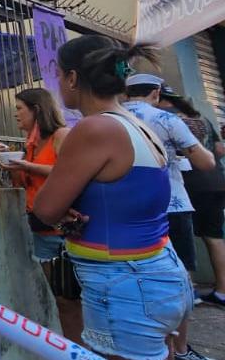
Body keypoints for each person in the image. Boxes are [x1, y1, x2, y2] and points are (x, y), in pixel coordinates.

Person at [34, 36, 196, 360]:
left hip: (125, 286)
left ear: (73, 78)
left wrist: (63, 207)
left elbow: (45, 210)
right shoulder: (137, 123)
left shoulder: (95, 129)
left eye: (59, 75)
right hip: (158, 272)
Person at [122, 74, 216, 360]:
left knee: (141, 275)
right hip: (171, 204)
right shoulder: (166, 119)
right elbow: (205, 161)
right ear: (155, 92)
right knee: (180, 276)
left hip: (129, 208)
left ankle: (150, 347)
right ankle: (180, 349)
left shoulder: (112, 118)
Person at [0, 88, 82, 344]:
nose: (16, 114)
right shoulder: (30, 145)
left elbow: (71, 171)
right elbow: (25, 183)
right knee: (61, 298)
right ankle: (73, 348)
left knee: (80, 298)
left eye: (20, 108)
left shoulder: (61, 135)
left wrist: (26, 164)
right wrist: (11, 162)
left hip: (67, 229)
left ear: (36, 109)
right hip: (41, 228)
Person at [158, 87, 225, 308]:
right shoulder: (200, 117)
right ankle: (222, 291)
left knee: (181, 236)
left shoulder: (166, 118)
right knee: (213, 237)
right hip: (215, 180)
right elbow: (218, 149)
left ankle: (190, 288)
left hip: (190, 183)